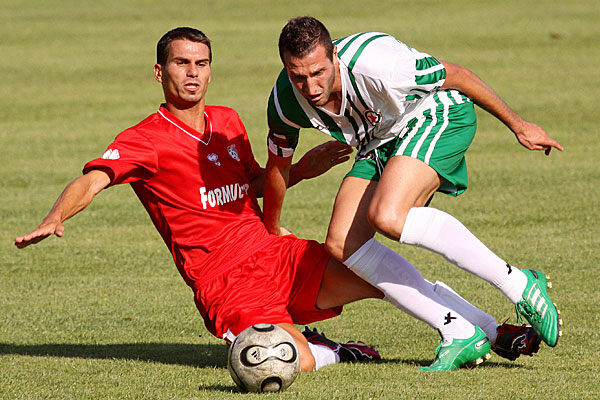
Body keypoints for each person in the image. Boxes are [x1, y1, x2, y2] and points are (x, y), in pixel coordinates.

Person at [15, 27, 538, 374]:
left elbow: (259, 183)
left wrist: (303, 170)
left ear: (211, 69)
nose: (192, 72)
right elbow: (95, 177)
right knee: (275, 358)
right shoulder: (144, 138)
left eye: (201, 63)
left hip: (273, 253)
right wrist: (56, 216)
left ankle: (491, 332)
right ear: (161, 73)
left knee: (387, 277)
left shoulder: (227, 121)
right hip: (222, 280)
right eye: (180, 63)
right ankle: (334, 351)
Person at [263, 16, 561, 370]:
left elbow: (457, 75)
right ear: (285, 67)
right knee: (342, 243)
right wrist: (271, 228)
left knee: (388, 215)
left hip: (435, 113)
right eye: (299, 76)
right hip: (380, 140)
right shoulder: (285, 101)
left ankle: (518, 283)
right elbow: (278, 166)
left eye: (318, 73)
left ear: (334, 56)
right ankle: (460, 331)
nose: (310, 86)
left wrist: (519, 125)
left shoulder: (379, 65)